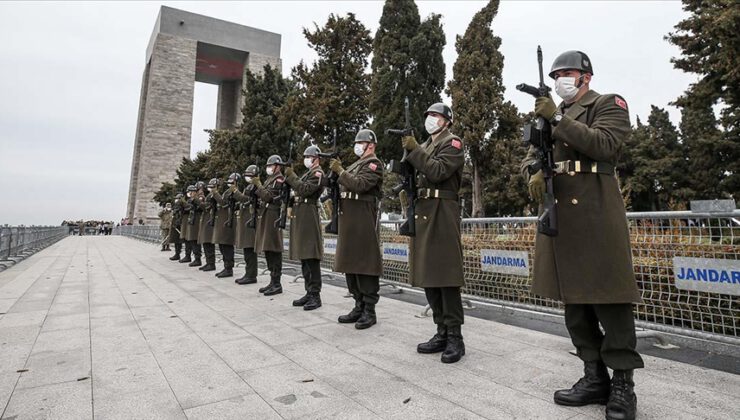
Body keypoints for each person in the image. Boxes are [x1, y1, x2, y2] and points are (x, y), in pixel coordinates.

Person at [521, 50, 642, 420]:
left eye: (567, 73)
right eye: (556, 74)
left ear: (585, 77)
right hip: (560, 215)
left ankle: (622, 383)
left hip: (595, 212)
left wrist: (555, 116)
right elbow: (529, 153)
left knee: (609, 297)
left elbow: (604, 145)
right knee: (574, 302)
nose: (561, 80)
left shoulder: (607, 104)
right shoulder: (548, 115)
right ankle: (594, 376)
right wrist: (534, 172)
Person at [401, 102, 466, 364]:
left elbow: (438, 171)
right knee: (429, 274)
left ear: (447, 121)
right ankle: (441, 330)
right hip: (424, 210)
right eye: (428, 115)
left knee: (446, 275)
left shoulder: (453, 143)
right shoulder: (426, 145)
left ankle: (455, 336)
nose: (430, 119)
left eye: (436, 115)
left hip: (442, 210)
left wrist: (414, 148)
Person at [329, 129, 384, 329]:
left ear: (371, 145)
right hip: (349, 220)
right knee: (350, 263)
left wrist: (340, 171)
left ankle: (369, 309)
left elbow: (360, 185)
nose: (357, 145)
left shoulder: (374, 164)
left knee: (365, 264)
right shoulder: (355, 164)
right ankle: (358, 304)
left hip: (363, 219)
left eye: (361, 142)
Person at [284, 145, 325, 311]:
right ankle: (309, 291)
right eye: (306, 156)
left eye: (309, 156)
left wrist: (291, 176)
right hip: (302, 215)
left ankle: (315, 294)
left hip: (309, 215)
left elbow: (304, 189)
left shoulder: (317, 173)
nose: (306, 159)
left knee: (311, 256)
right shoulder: (308, 174)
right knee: (304, 256)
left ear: (317, 158)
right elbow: (296, 192)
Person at [252, 155, 286, 295]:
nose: (269, 168)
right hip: (265, 214)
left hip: (273, 215)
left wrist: (258, 185)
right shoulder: (269, 180)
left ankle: (277, 283)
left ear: (277, 166)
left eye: (271, 166)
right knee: (267, 249)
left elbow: (269, 197)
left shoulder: (279, 179)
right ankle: (272, 281)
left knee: (273, 248)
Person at [231, 164, 260, 285]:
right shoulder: (250, 186)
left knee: (249, 249)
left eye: (249, 175)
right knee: (247, 250)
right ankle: (248, 273)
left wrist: (235, 192)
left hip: (251, 220)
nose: (247, 177)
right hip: (246, 220)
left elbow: (245, 199)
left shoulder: (255, 186)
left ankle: (251, 275)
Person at [212, 174, 238, 278]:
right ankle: (226, 267)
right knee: (222, 245)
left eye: (232, 180)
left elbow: (224, 203)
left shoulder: (234, 192)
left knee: (227, 245)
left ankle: (229, 268)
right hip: (224, 221)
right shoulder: (228, 192)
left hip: (229, 221)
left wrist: (215, 193)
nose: (230, 182)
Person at [197, 179, 218, 272]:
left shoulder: (212, 195)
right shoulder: (208, 195)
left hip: (210, 220)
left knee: (208, 242)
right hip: (206, 219)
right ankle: (208, 263)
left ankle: (211, 263)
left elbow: (206, 206)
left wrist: (198, 200)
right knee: (205, 243)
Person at [169, 193, 184, 261]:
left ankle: (179, 254)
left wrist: (178, 223)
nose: (176, 200)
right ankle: (176, 254)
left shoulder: (181, 207)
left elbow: (180, 216)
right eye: (176, 199)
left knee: (179, 240)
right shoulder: (176, 206)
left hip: (179, 225)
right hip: (175, 225)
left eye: (177, 199)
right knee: (176, 240)